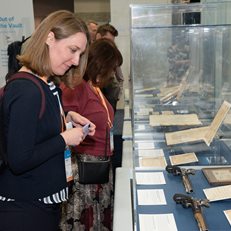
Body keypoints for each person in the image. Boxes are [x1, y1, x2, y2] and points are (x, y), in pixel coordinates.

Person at [0, 10, 96, 231]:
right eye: (72, 50)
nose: (75, 61)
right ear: (50, 38)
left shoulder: (45, 84)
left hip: (40, 203)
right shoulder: (27, 90)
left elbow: (36, 129)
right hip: (24, 209)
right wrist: (64, 139)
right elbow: (19, 160)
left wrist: (67, 118)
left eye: (80, 54)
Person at [60, 38, 123, 231]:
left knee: (99, 221)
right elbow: (64, 128)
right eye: (112, 68)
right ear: (101, 65)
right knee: (85, 221)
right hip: (84, 171)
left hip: (100, 167)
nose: (113, 74)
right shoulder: (76, 88)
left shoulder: (93, 87)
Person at [95, 23, 124, 113]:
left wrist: (118, 93)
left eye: (112, 41)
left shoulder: (112, 52)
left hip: (110, 95)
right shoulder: (89, 52)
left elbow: (120, 76)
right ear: (99, 36)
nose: (109, 44)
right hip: (94, 96)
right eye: (107, 40)